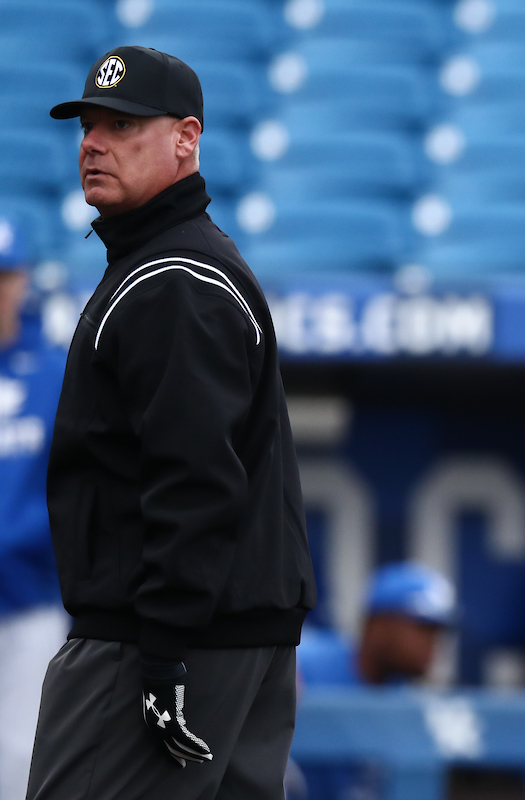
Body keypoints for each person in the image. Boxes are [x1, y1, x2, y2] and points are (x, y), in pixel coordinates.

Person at [28, 46, 316, 800]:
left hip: (159, 642)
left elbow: (196, 483)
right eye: (89, 125)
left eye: (122, 125)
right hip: (232, 637)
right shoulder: (181, 263)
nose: (94, 143)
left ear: (186, 138)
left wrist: (163, 655)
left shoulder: (172, 280)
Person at [0, 217, 69, 800]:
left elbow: (76, 488)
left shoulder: (55, 373)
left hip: (32, 604)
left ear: (22, 282)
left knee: (25, 756)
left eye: (3, 278)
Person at [296, 561, 456, 688]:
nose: (432, 644)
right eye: (424, 629)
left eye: (436, 632)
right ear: (379, 626)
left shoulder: (401, 695)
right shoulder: (300, 663)